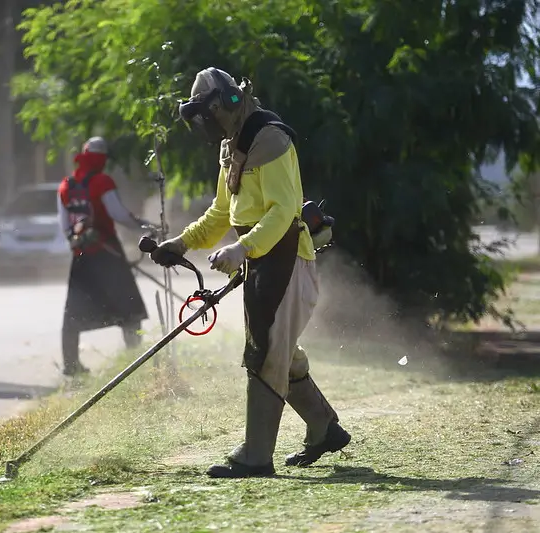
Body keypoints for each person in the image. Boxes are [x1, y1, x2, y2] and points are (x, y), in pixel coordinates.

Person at [150, 67, 350, 478]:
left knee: (265, 356)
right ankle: (323, 427)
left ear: (225, 104)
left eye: (206, 115)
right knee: (277, 350)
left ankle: (256, 457)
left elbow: (283, 211)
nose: (204, 125)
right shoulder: (233, 147)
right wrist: (181, 243)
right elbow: (223, 212)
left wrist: (242, 248)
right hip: (264, 262)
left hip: (288, 259)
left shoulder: (271, 139)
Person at [57, 136, 151, 376]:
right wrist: (146, 227)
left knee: (74, 311)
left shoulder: (66, 185)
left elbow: (64, 224)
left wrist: (75, 241)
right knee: (129, 307)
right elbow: (119, 215)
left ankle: (71, 365)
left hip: (81, 256)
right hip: (108, 254)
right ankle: (134, 361)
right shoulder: (102, 181)